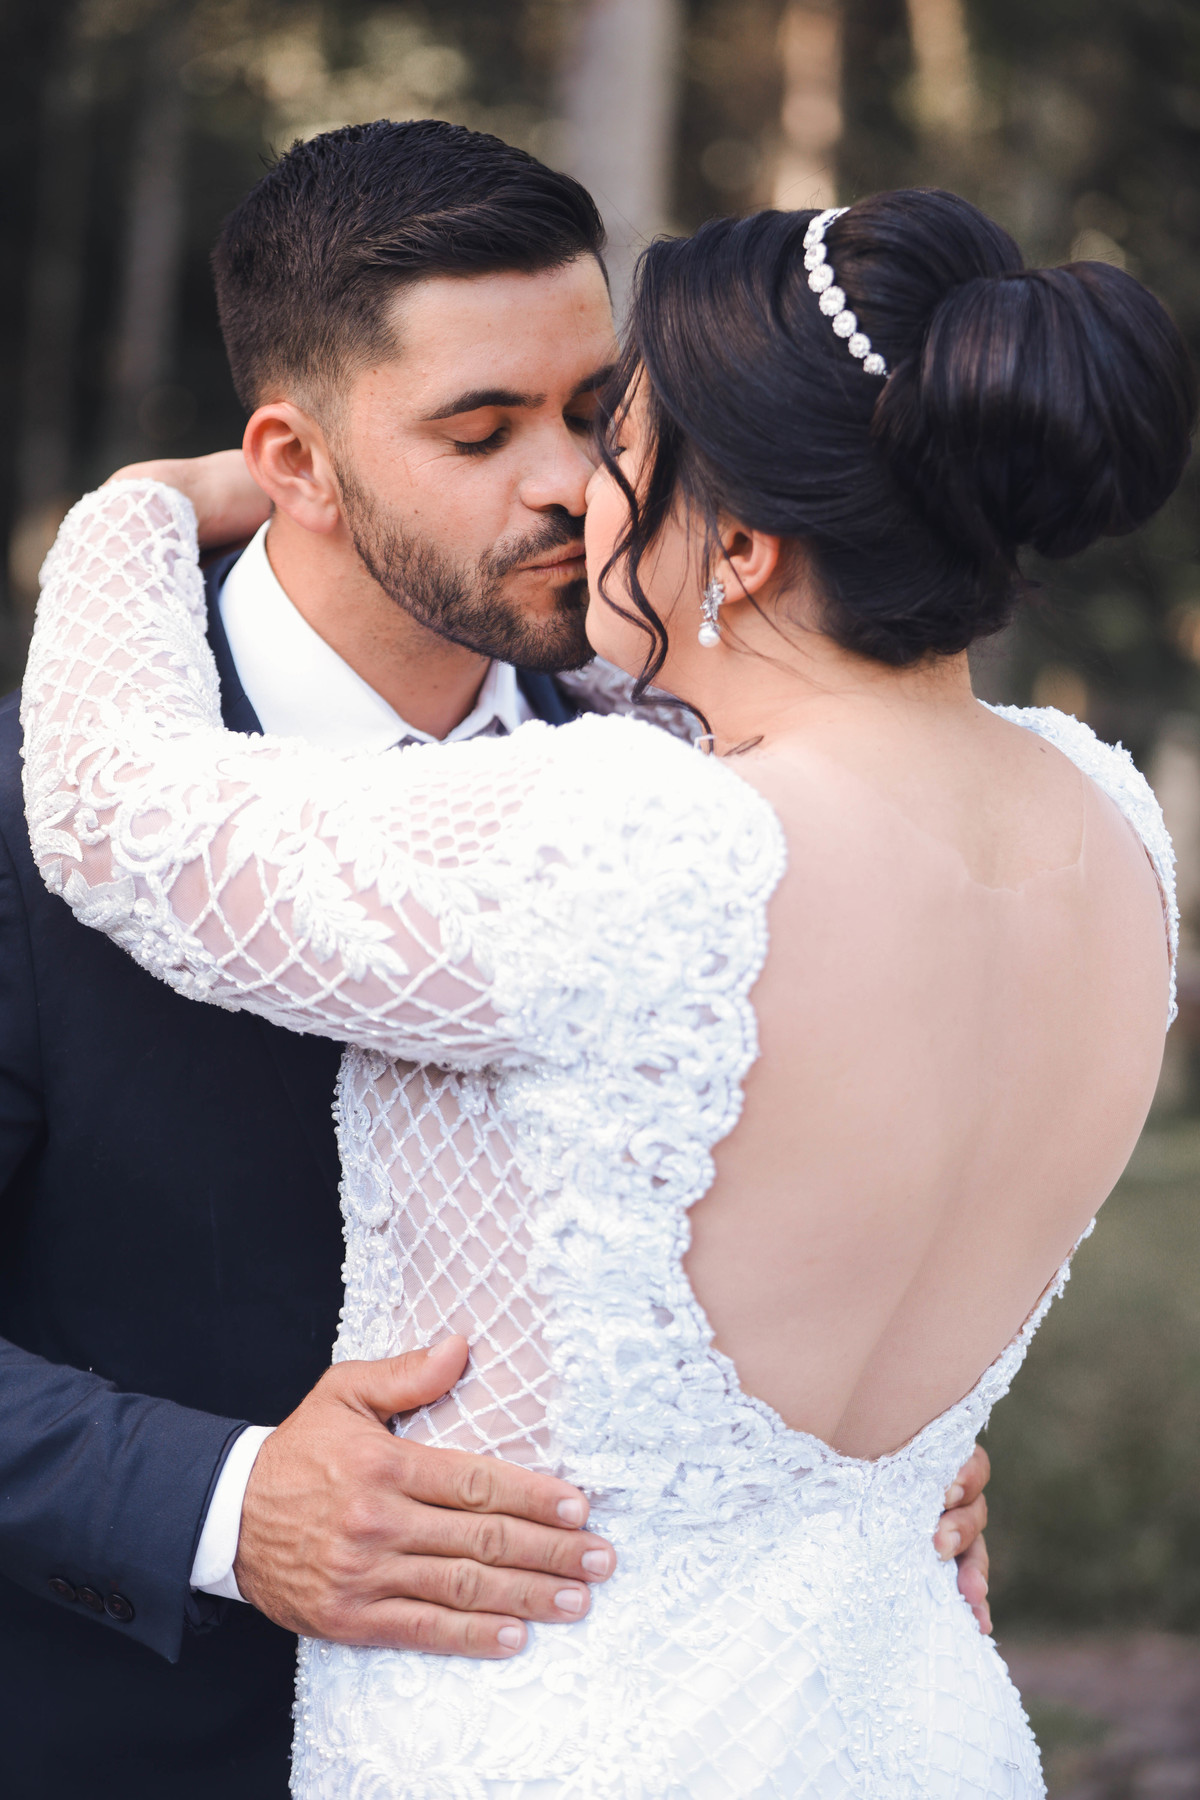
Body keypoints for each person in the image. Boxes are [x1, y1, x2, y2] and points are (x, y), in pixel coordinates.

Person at [25, 181, 1189, 1796]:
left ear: (748, 546)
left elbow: (116, 813)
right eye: (487, 428)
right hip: (908, 1717)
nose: (577, 488)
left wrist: (135, 510)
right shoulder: (1106, 821)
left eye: (613, 436)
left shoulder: (637, 841)